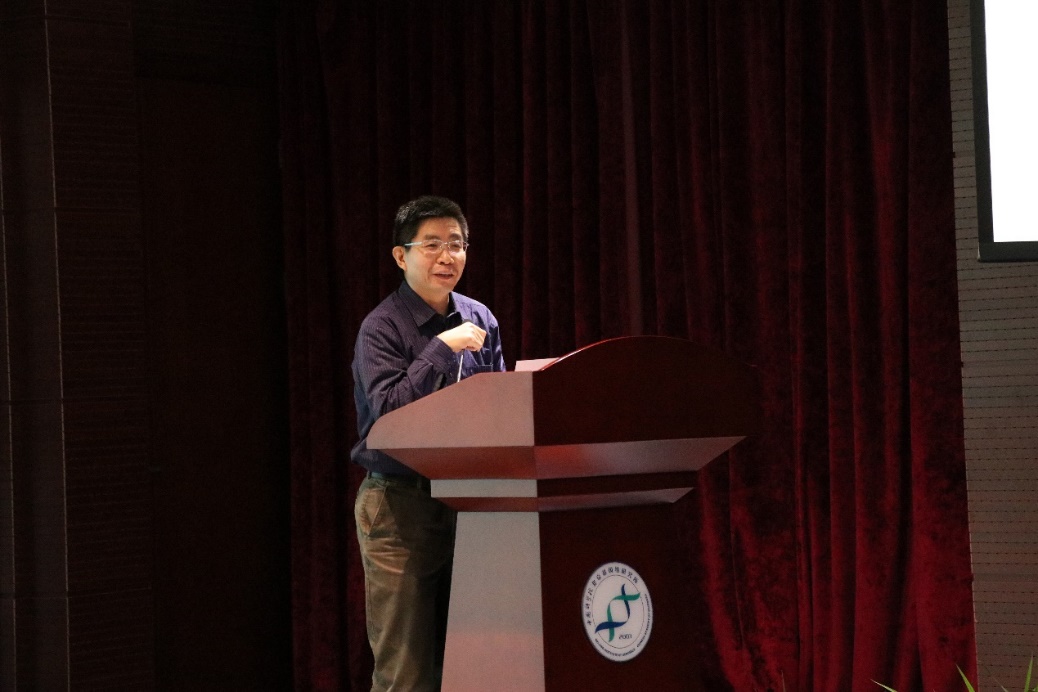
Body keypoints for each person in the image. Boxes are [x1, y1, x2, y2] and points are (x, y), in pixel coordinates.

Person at [351, 195, 506, 691]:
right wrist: (441, 348)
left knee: (471, 664)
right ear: (402, 256)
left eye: (456, 245)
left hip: (471, 503)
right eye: (432, 245)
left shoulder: (480, 318)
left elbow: (501, 407)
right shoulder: (381, 327)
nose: (447, 256)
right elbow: (389, 414)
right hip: (401, 506)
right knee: (406, 672)